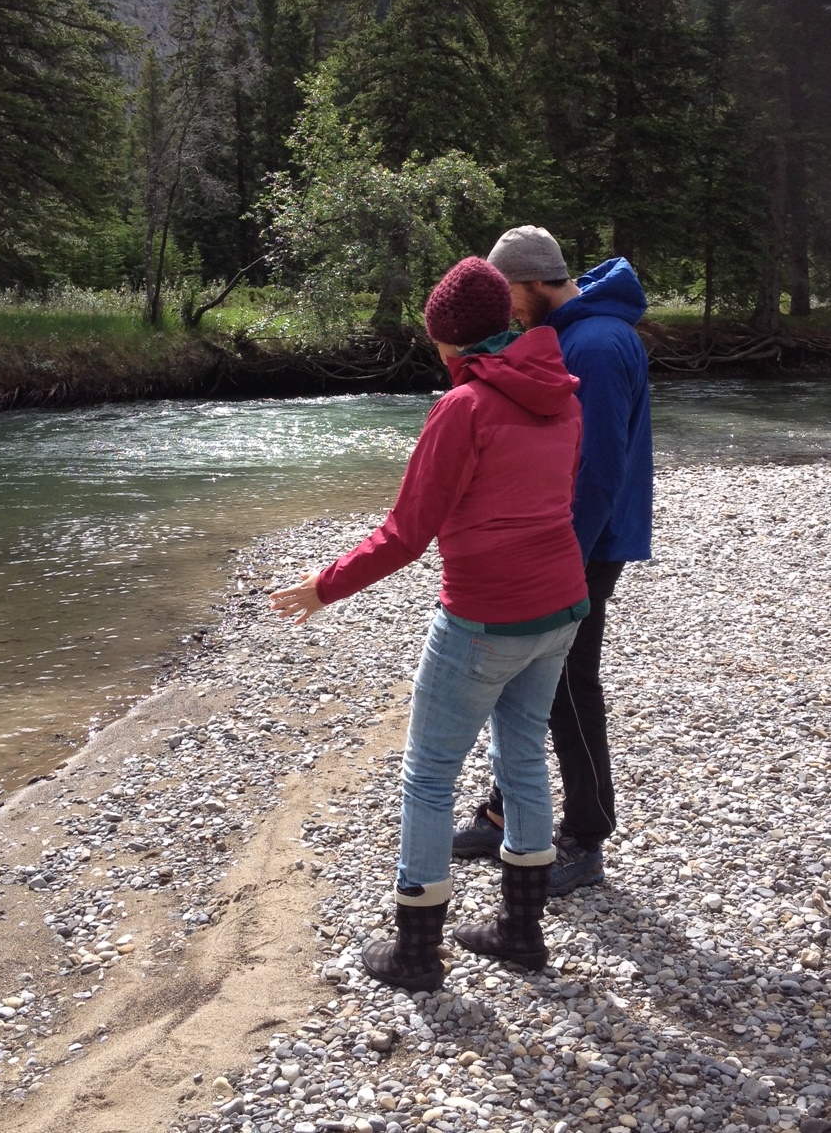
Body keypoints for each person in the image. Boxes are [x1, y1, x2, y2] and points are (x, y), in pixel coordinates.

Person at [271, 257, 590, 992]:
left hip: (484, 617)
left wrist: (323, 587)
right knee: (522, 760)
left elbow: (406, 533)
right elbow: (559, 498)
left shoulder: (463, 408)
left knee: (427, 774)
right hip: (559, 606)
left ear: (445, 341)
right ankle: (520, 931)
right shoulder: (563, 394)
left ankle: (416, 951)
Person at [452, 226, 653, 896]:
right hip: (565, 539)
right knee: (524, 679)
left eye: (507, 293)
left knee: (568, 685)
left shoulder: (595, 344)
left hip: (583, 544)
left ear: (535, 281)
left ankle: (586, 835)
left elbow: (595, 472)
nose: (504, 310)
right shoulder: (577, 330)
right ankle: (503, 811)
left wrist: (558, 557)